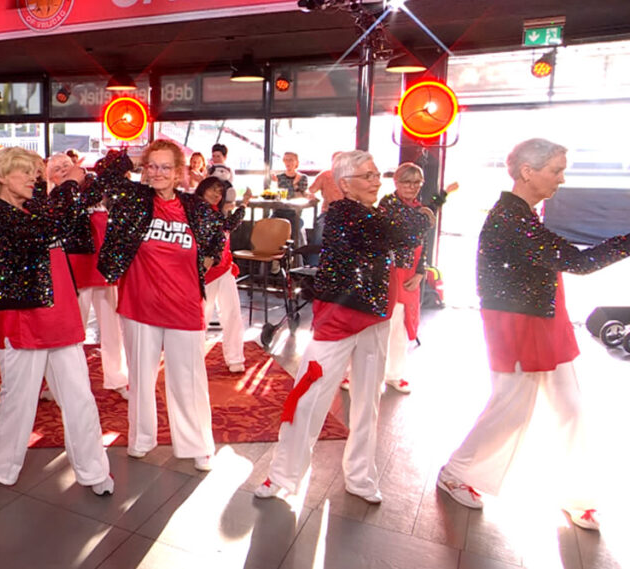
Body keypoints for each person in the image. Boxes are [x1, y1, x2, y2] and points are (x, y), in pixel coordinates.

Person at [436, 139, 630, 531]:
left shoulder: (523, 215)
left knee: (570, 406)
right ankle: (457, 471)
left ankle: (578, 495)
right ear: (528, 171)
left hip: (542, 318)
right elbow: (578, 261)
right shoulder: (511, 218)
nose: (561, 177)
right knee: (510, 408)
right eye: (556, 170)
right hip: (517, 323)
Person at [254, 150, 433, 504]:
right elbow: (400, 232)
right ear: (345, 183)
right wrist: (423, 216)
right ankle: (282, 474)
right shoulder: (341, 215)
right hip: (338, 319)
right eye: (367, 176)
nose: (375, 181)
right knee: (308, 397)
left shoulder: (376, 214)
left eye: (376, 174)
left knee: (368, 403)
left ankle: (361, 475)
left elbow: (401, 237)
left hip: (376, 319)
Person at [0, 146, 113, 498]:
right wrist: (70, 187)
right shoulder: (0, 217)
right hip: (24, 318)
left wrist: (85, 178)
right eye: (26, 172)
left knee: (79, 396)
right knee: (16, 399)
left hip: (61, 314)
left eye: (36, 171)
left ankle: (94, 468)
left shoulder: (40, 206)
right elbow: (49, 224)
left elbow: (75, 222)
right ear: (3, 177)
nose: (35, 177)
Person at [93, 140, 226, 472]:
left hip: (184, 306)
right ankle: (141, 438)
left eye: (166, 167)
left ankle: (197, 444)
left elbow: (215, 241)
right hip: (140, 305)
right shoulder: (133, 201)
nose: (157, 173)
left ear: (180, 172)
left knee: (189, 380)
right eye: (152, 165)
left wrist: (202, 264)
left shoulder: (194, 207)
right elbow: (106, 176)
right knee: (140, 378)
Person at [46, 153, 129, 399]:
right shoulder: (55, 199)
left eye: (67, 166)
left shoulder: (91, 191)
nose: (64, 170)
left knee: (112, 326)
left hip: (102, 265)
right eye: (58, 168)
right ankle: (60, 382)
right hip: (75, 267)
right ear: (50, 176)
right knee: (73, 327)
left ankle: (118, 378)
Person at [379, 163, 459, 393]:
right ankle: (358, 375)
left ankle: (394, 373)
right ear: (396, 182)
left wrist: (420, 272)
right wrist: (426, 216)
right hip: (390, 270)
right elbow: (404, 232)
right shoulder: (388, 204)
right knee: (384, 323)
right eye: (407, 182)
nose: (412, 187)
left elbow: (420, 240)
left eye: (416, 183)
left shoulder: (419, 207)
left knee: (403, 324)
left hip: (411, 271)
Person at [195, 176, 250, 373]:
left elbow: (229, 225)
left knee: (233, 314)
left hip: (225, 269)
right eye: (212, 190)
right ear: (202, 189)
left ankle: (235, 357)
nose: (216, 194)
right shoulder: (197, 213)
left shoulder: (218, 213)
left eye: (219, 192)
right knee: (202, 317)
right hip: (205, 273)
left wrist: (243, 205)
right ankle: (194, 358)